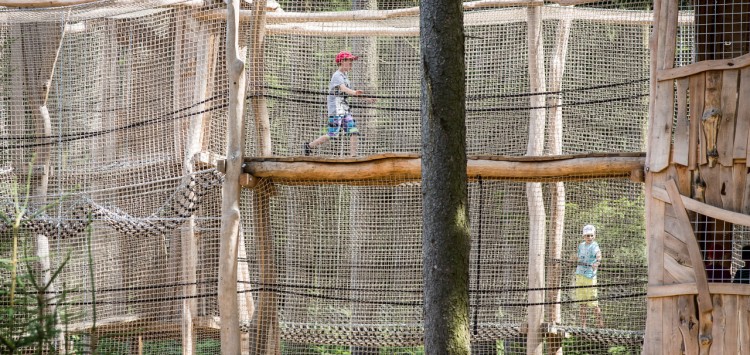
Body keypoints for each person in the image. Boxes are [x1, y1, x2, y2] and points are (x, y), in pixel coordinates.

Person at [304, 50, 374, 157]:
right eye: (349, 60)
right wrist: (355, 92)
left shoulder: (345, 76)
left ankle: (353, 157)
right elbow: (344, 89)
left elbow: (350, 92)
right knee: (332, 134)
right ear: (341, 61)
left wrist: (367, 99)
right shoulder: (337, 75)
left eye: (352, 61)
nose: (351, 63)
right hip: (336, 109)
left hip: (344, 109)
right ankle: (309, 145)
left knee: (353, 131)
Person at [574, 224, 604, 328]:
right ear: (584, 236)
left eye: (591, 235)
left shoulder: (595, 245)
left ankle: (600, 325)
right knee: (582, 302)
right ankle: (583, 326)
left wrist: (597, 262)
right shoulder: (581, 245)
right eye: (587, 235)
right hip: (580, 275)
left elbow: (598, 255)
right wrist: (570, 260)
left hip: (590, 277)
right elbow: (577, 257)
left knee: (593, 302)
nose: (589, 237)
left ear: (594, 235)